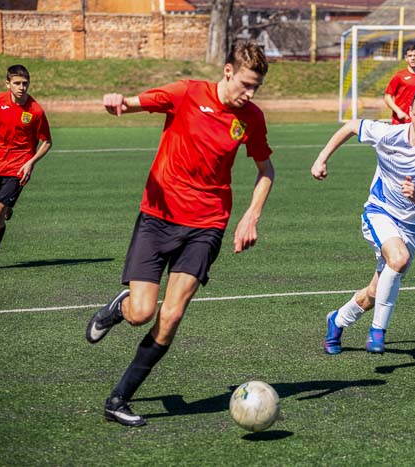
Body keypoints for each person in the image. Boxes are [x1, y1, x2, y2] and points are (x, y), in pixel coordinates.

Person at [86, 41, 275, 427]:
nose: (250, 94)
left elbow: (266, 170)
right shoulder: (187, 93)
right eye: (245, 84)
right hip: (158, 217)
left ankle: (118, 398)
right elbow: (134, 102)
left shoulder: (251, 118)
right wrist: (119, 101)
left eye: (256, 87)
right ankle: (119, 308)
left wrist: (250, 216)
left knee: (170, 316)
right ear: (227, 71)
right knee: (141, 313)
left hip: (206, 225)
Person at [311, 86, 415, 355]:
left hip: (413, 226)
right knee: (399, 259)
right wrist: (321, 159)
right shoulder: (389, 134)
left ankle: (337, 320)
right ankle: (378, 332)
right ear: (410, 113)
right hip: (380, 212)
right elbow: (351, 126)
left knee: (374, 292)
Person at [0, 64, 52, 271]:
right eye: (17, 83)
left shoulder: (36, 111)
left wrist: (30, 163)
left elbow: (47, 141)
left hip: (18, 167)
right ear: (8, 84)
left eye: (25, 83)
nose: (22, 87)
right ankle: (8, 208)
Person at [384, 45, 415, 124]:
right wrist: (398, 111)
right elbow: (387, 97)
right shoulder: (399, 76)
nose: (413, 58)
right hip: (400, 121)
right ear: (406, 58)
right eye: (410, 56)